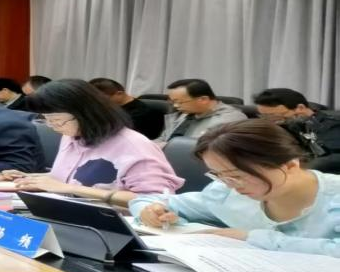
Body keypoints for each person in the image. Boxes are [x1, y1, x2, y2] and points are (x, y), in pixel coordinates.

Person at [131, 120, 339, 256]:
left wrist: (250, 237)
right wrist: (151, 212)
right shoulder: (225, 192)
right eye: (219, 175)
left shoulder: (334, 197)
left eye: (238, 176)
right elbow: (150, 200)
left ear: (290, 165)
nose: (232, 185)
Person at [0, 79, 182, 207]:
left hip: (114, 228)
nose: (53, 127)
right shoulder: (73, 135)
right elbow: (74, 177)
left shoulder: (133, 146)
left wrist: (72, 189)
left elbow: (157, 201)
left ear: (87, 114)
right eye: (47, 120)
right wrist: (30, 178)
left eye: (57, 120)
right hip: (68, 213)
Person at [252, 88, 340, 172]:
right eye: (264, 116)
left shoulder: (332, 125)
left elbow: (335, 157)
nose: (271, 121)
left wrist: (303, 168)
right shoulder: (283, 126)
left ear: (300, 108)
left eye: (275, 116)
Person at [156, 78, 247, 143]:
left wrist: (166, 146)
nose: (175, 106)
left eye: (179, 102)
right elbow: (164, 138)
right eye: (173, 102)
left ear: (203, 99)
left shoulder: (230, 119)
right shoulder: (185, 113)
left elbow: (204, 147)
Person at [88, 77, 165, 140]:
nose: (99, 102)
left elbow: (119, 135)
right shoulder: (110, 108)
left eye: (103, 99)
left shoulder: (142, 113)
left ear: (119, 94)